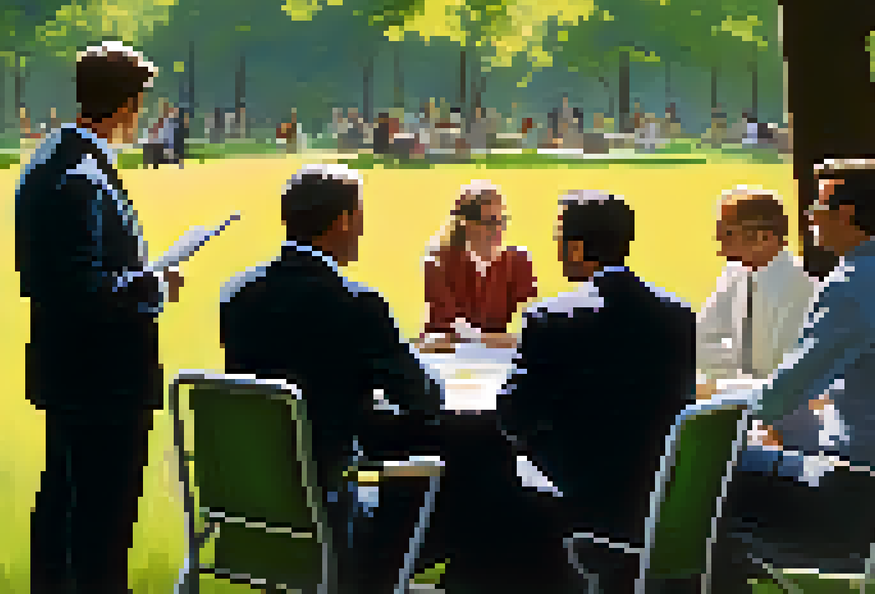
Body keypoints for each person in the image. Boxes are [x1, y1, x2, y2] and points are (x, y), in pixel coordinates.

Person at [219, 164, 445, 594]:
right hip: (327, 505)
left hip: (249, 507)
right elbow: (424, 398)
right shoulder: (356, 304)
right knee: (440, 475)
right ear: (343, 221)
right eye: (359, 216)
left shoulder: (238, 295)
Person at [15, 41, 185, 594]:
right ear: (129, 104)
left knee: (66, 510)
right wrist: (155, 284)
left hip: (70, 369)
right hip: (103, 376)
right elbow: (85, 289)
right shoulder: (79, 174)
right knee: (101, 527)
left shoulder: (55, 158)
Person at [710, 159, 875, 591]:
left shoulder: (849, 287)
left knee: (709, 472)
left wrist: (708, 398)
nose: (807, 218)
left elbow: (777, 399)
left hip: (856, 490)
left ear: (845, 214)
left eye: (816, 206)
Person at [495, 191, 696, 586]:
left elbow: (513, 418)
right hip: (656, 501)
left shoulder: (551, 318)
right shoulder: (678, 315)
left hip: (576, 504)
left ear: (575, 248)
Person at [695, 187, 825, 446]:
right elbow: (699, 343)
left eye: (727, 232)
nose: (719, 242)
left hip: (788, 429)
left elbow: (792, 381)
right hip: (743, 410)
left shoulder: (805, 290)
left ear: (764, 236)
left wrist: (723, 383)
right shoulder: (732, 275)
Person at [420, 181, 537, 351]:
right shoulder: (438, 263)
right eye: (490, 222)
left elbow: (527, 329)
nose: (499, 229)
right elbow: (443, 335)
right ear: (465, 223)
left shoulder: (519, 261)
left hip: (500, 360)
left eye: (502, 221)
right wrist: (497, 340)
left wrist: (470, 336)